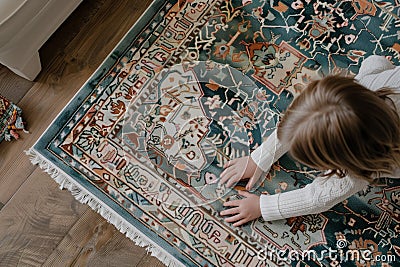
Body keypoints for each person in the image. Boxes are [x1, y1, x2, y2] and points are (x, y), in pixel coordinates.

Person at [219, 55, 400, 227]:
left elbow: (317, 199)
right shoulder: (372, 83)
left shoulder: (356, 170)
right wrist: (260, 158)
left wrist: (263, 207)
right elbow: (376, 63)